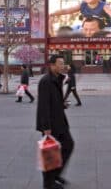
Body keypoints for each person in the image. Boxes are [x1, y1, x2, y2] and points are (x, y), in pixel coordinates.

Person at [36, 55, 74, 189]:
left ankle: (55, 175)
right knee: (49, 153)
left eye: (64, 63)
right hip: (51, 124)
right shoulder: (46, 81)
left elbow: (53, 101)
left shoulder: (57, 79)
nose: (63, 65)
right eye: (60, 63)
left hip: (60, 121)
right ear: (52, 65)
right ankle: (48, 184)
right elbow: (43, 105)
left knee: (68, 145)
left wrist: (62, 104)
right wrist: (46, 126)